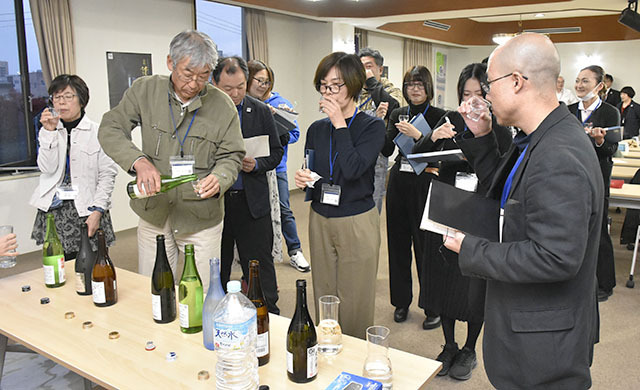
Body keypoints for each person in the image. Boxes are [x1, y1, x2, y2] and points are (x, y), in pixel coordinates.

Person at [444, 33, 602, 389]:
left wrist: (472, 249)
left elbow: (556, 256)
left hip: (544, 347)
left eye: (489, 84)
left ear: (516, 82)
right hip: (530, 328)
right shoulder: (538, 137)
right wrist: (482, 137)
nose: (485, 96)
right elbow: (506, 196)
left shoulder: (558, 153)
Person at [98, 30, 245, 287]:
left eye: (203, 76)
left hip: (201, 218)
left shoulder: (223, 105)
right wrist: (139, 162)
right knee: (154, 288)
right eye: (188, 74)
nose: (194, 84)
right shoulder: (144, 91)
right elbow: (110, 128)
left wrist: (219, 178)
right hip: (155, 212)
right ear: (170, 63)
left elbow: (232, 155)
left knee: (201, 291)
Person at [412, 62, 513, 380]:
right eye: (466, 94)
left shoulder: (499, 126)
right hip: (446, 205)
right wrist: (434, 138)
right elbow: (417, 155)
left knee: (472, 286)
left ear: (489, 94)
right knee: (442, 279)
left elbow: (503, 174)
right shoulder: (449, 119)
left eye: (478, 93)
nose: (472, 100)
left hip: (478, 211)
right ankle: (449, 345)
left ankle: (469, 348)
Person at [294, 52, 385, 339]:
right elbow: (314, 168)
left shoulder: (372, 126)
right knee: (324, 291)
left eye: (336, 85)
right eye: (324, 86)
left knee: (355, 295)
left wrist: (340, 124)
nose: (329, 92)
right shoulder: (316, 129)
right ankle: (327, 347)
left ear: (354, 84)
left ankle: (355, 358)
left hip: (357, 219)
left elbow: (354, 168)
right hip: (320, 216)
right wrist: (303, 177)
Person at [214, 57, 283, 314]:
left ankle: (268, 312)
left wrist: (256, 164)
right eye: (228, 88)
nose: (235, 94)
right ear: (215, 83)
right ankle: (219, 313)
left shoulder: (261, 111)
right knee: (216, 263)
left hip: (251, 201)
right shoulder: (204, 112)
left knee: (258, 264)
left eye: (241, 87)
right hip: (216, 202)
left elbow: (275, 153)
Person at [380, 66, 445, 330]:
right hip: (399, 180)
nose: (414, 89)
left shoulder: (441, 116)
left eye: (419, 85)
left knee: (426, 246)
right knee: (397, 244)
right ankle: (401, 302)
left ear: (428, 88)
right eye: (409, 85)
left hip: (426, 181)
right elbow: (385, 149)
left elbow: (442, 153)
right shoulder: (398, 113)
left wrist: (419, 136)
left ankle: (432, 306)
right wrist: (381, 122)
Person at [31, 74, 118, 258]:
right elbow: (46, 168)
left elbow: (107, 175)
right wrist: (49, 132)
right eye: (57, 97)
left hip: (88, 208)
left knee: (93, 267)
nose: (61, 102)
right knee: (59, 267)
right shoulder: (49, 130)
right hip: (56, 210)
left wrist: (98, 211)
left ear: (81, 100)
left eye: (68, 96)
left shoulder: (98, 132)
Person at [246, 60, 310, 273]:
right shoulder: (240, 102)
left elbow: (294, 135)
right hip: (247, 167)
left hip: (275, 167)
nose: (263, 85)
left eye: (267, 81)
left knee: (283, 209)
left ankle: (295, 251)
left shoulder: (279, 103)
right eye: (259, 80)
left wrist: (277, 121)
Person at [568, 65, 620, 302]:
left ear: (600, 86)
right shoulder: (567, 111)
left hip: (598, 175)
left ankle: (604, 283)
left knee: (598, 230)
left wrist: (599, 141)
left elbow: (611, 149)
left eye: (585, 81)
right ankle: (576, 277)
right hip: (571, 175)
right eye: (578, 81)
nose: (579, 85)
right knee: (573, 226)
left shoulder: (610, 112)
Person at [357, 48, 403, 213]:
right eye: (361, 67)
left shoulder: (390, 90)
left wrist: (371, 82)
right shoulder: (355, 93)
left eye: (368, 66)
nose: (364, 71)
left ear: (380, 69)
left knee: (371, 206)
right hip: (354, 152)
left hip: (377, 155)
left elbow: (394, 108)